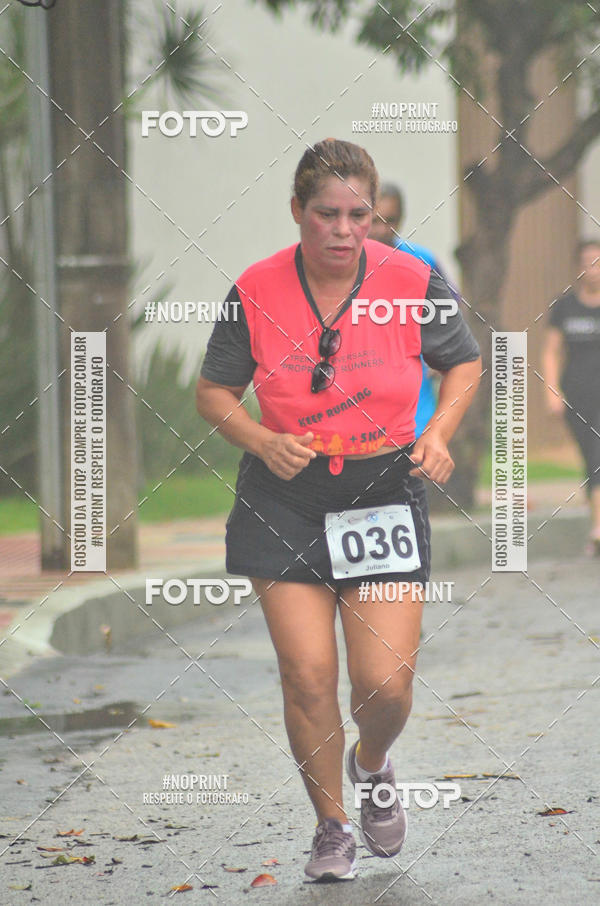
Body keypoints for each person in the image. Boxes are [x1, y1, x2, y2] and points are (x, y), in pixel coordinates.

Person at [196, 139, 481, 882]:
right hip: (284, 497)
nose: (344, 229)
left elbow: (463, 360)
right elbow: (213, 391)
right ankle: (330, 827)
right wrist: (261, 438)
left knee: (384, 683)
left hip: (381, 488)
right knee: (308, 674)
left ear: (374, 213)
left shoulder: (411, 278)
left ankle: (373, 763)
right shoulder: (255, 288)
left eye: (360, 213)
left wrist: (439, 431)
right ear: (298, 212)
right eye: (327, 213)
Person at [369, 182, 461, 438]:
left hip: (412, 380)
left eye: (390, 220)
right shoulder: (344, 262)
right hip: (360, 378)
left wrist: (443, 351)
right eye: (375, 220)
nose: (381, 230)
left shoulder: (420, 260)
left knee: (413, 451)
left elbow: (450, 307)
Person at [543, 239, 600, 555]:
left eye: (598, 262)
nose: (592, 270)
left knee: (598, 454)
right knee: (589, 459)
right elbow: (551, 351)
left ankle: (597, 529)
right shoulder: (564, 306)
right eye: (587, 262)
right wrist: (551, 389)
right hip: (576, 394)